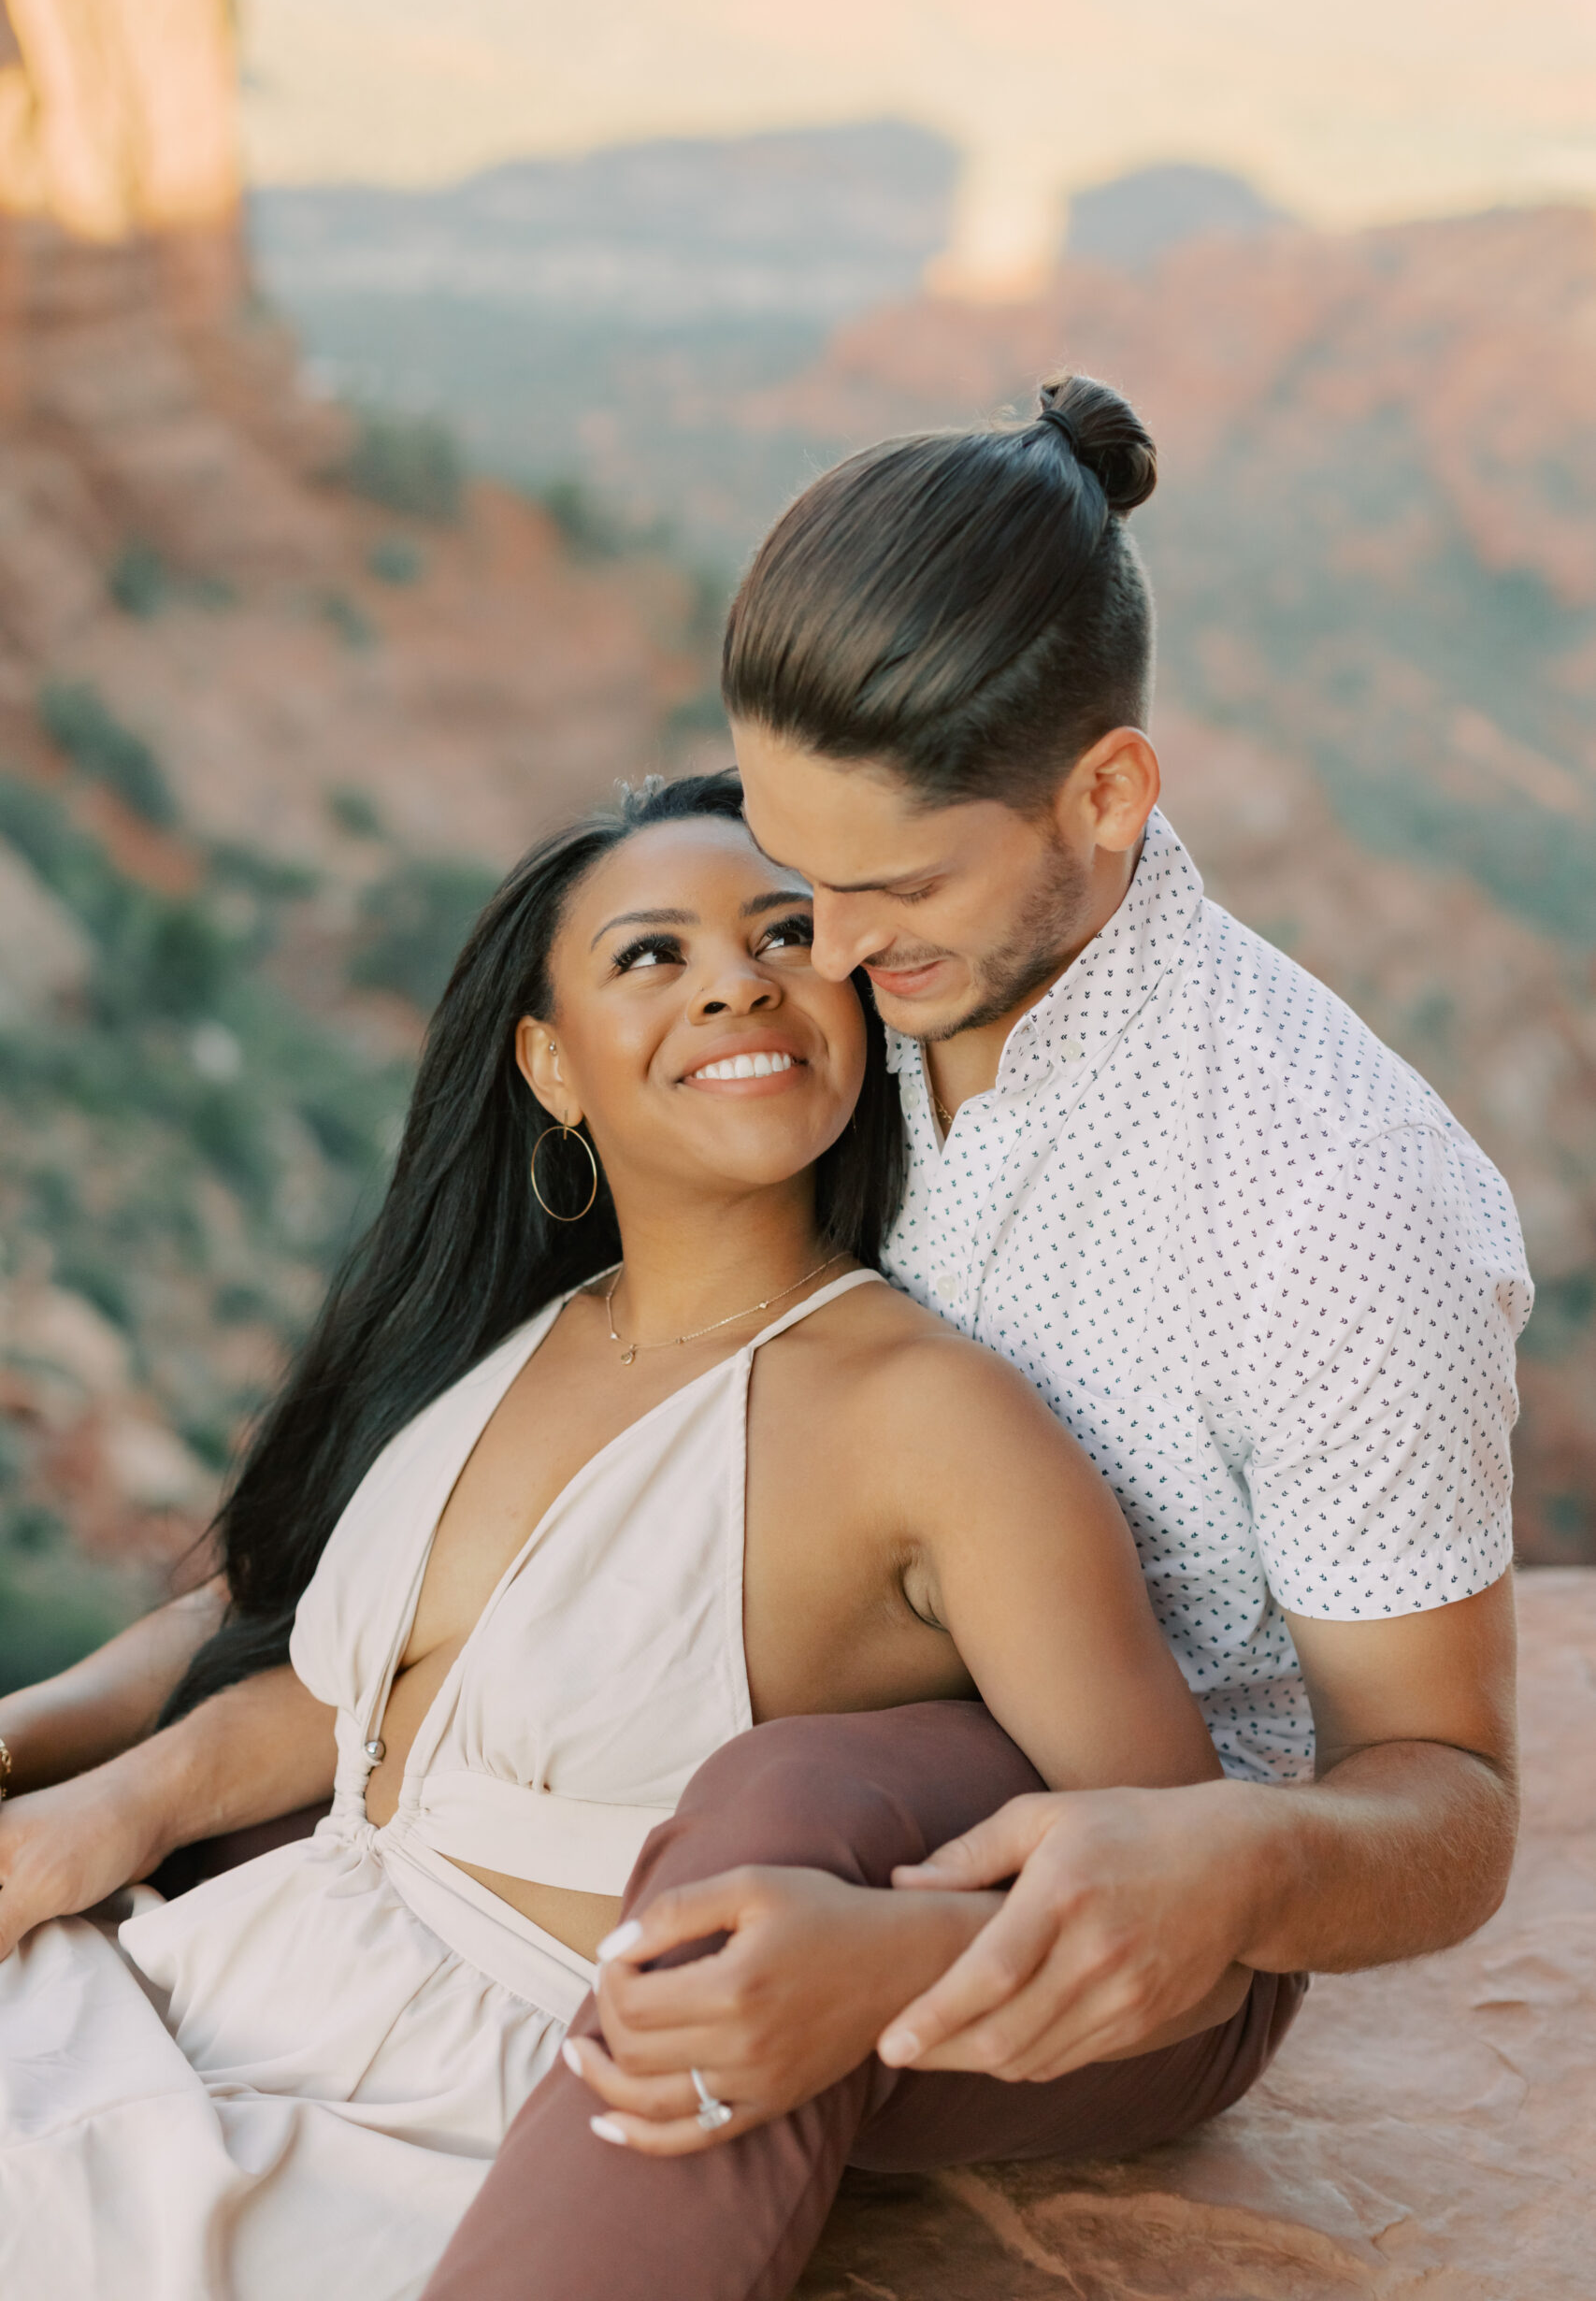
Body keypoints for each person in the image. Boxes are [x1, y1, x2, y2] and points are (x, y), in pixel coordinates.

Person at [415, 372, 1527, 2297]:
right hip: (736, 1694)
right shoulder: (842, 1005)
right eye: (789, 873)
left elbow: (1444, 1797)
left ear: (1102, 794)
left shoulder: (1329, 1201)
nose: (822, 957)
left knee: (762, 1852)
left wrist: (1216, 1869)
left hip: (1123, 1890)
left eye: (894, 889)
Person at [0, 773, 1287, 2301]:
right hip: (206, 1989)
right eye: (650, 956)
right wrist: (111, 1805)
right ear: (552, 1066)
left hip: (468, 2125)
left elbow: (1189, 1903)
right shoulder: (512, 1341)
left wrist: (881, 1976)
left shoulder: (930, 1419)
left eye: (784, 934)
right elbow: (360, 1694)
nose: (737, 980)